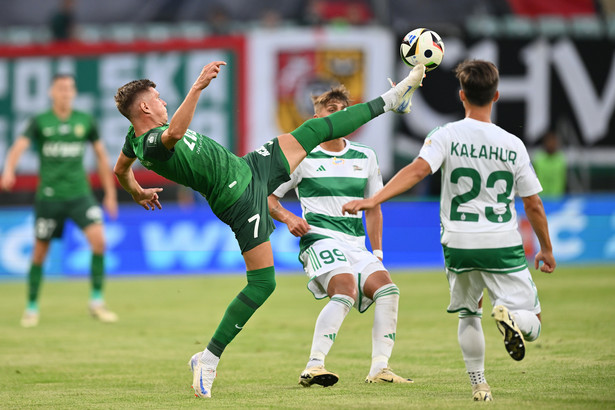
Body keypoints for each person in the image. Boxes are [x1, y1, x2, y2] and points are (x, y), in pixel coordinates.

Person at [112, 61, 425, 398]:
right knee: (263, 283)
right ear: (144, 106)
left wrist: (136, 191)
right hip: (240, 198)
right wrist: (198, 86)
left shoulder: (133, 138)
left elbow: (120, 168)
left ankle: (393, 98)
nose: (164, 103)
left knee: (316, 129)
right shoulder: (153, 142)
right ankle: (208, 358)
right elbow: (173, 134)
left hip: (249, 167)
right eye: (158, 99)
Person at [343, 60, 556, 402]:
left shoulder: (445, 135)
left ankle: (479, 384)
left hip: (457, 242)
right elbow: (533, 205)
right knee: (533, 319)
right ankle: (513, 317)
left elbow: (417, 171)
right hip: (501, 240)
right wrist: (545, 249)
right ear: (496, 95)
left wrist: (375, 199)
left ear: (461, 96)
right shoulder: (512, 144)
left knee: (469, 311)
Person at [268, 85, 411, 387]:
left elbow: (373, 208)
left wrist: (379, 253)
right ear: (316, 116)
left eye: (343, 110)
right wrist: (289, 217)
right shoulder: (302, 156)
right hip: (318, 238)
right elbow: (267, 196)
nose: (338, 115)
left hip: (355, 244)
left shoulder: (366, 156)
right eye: (330, 110)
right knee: (345, 290)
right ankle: (314, 365)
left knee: (388, 290)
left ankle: (380, 368)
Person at [1, 74, 119, 328]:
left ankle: (97, 301)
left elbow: (100, 157)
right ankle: (31, 307)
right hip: (50, 197)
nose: (66, 92)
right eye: (61, 88)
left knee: (99, 242)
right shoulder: (40, 121)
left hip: (80, 195)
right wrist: (9, 169)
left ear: (74, 93)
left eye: (70, 88)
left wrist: (110, 193)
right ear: (51, 92)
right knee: (40, 252)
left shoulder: (85, 121)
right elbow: (18, 147)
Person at [532, 130, 567, 197]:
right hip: (541, 198)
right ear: (544, 143)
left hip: (557, 199)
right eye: (549, 142)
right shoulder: (538, 159)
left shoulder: (561, 159)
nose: (551, 144)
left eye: (553, 142)